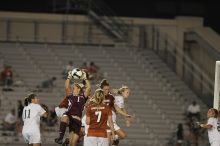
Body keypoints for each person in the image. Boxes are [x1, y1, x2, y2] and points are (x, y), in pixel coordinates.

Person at [54, 70, 91, 146]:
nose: (74, 87)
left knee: (72, 143)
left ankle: (65, 141)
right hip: (70, 117)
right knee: (65, 116)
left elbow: (89, 88)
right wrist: (69, 76)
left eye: (75, 86)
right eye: (74, 86)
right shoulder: (70, 96)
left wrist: (85, 78)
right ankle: (60, 138)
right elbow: (66, 86)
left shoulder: (83, 97)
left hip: (77, 122)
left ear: (78, 89)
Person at [98, 79, 131, 146]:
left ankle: (114, 139)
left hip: (110, 119)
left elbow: (120, 108)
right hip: (110, 120)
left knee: (109, 141)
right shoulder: (120, 98)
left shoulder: (117, 98)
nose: (128, 94)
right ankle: (114, 138)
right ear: (122, 92)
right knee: (122, 135)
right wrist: (126, 118)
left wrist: (126, 117)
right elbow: (119, 109)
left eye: (129, 93)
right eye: (127, 92)